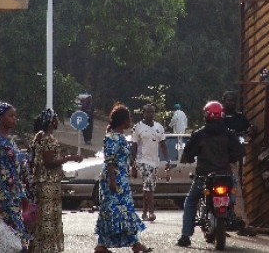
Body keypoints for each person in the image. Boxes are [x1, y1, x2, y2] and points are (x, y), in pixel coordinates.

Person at [177, 101, 244, 247]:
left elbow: (188, 154)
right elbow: (239, 152)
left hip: (204, 176)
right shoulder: (229, 134)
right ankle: (231, 211)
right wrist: (229, 158)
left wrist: (188, 158)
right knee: (233, 190)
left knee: (190, 201)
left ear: (206, 115)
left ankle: (185, 236)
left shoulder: (199, 134)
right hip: (225, 175)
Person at [94, 103, 152, 253]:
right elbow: (110, 161)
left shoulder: (120, 137)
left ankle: (135, 243)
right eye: (128, 119)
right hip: (113, 180)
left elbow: (123, 157)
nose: (130, 122)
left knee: (125, 211)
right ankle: (102, 245)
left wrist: (131, 167)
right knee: (112, 212)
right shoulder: (111, 138)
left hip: (122, 179)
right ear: (122, 120)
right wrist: (113, 181)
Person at [31, 108, 83, 253]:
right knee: (48, 217)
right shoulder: (47, 138)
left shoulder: (40, 137)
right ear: (50, 121)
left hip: (46, 182)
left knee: (45, 216)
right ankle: (47, 248)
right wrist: (69, 158)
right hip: (49, 182)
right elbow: (49, 163)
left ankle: (42, 247)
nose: (57, 121)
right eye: (56, 119)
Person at [0, 102, 31, 250]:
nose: (14, 119)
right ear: (0, 118)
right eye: (11, 116)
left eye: (15, 116)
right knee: (4, 240)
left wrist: (22, 195)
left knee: (16, 240)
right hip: (0, 197)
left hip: (13, 195)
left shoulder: (10, 139)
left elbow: (15, 169)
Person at [221, 90, 257, 236]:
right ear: (223, 101)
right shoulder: (218, 118)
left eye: (233, 100)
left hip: (234, 160)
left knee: (236, 191)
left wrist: (251, 132)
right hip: (218, 159)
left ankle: (241, 223)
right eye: (228, 100)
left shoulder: (240, 118)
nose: (231, 103)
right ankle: (217, 224)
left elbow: (249, 132)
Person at [131, 104, 169, 222]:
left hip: (154, 161)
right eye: (148, 112)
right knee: (149, 187)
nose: (150, 114)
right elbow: (134, 145)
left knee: (148, 187)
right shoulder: (138, 127)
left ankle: (143, 213)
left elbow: (163, 144)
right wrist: (133, 163)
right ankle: (151, 212)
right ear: (143, 113)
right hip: (143, 160)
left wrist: (167, 159)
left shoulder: (159, 127)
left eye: (152, 112)